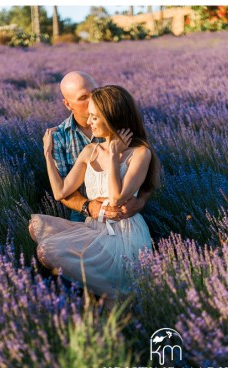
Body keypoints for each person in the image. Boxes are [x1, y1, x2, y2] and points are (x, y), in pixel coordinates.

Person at [29, 85, 160, 299]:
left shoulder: (139, 153)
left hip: (122, 235)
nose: (89, 122)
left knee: (47, 251)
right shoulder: (90, 150)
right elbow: (59, 192)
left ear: (112, 117)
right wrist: (47, 154)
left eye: (94, 117)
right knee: (36, 227)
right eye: (89, 116)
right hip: (95, 226)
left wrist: (113, 158)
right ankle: (106, 288)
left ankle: (116, 294)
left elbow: (117, 198)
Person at [50, 71, 151, 222]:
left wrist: (140, 201)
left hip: (126, 218)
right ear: (68, 104)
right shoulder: (59, 137)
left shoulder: (127, 136)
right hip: (84, 216)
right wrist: (89, 207)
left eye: (95, 92)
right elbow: (62, 193)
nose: (94, 99)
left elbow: (148, 177)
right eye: (84, 97)